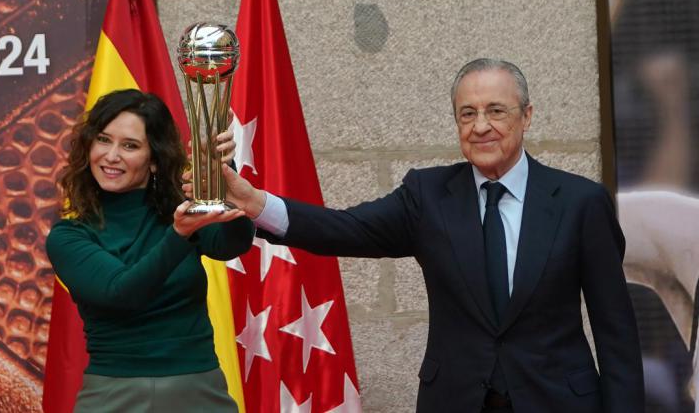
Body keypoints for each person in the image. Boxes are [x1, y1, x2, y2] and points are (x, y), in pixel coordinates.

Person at [213, 59, 645, 412]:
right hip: (455, 400)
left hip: (558, 402)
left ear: (526, 116)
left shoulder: (579, 202)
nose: (481, 126)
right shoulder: (428, 195)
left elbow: (616, 332)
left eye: (497, 110)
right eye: (467, 113)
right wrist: (256, 203)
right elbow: (346, 228)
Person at [46, 89, 253, 412]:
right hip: (113, 395)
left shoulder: (181, 211)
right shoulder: (69, 236)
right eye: (103, 139)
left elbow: (232, 244)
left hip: (199, 390)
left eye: (129, 145)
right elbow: (122, 293)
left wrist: (225, 176)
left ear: (154, 160)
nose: (112, 156)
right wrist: (178, 235)